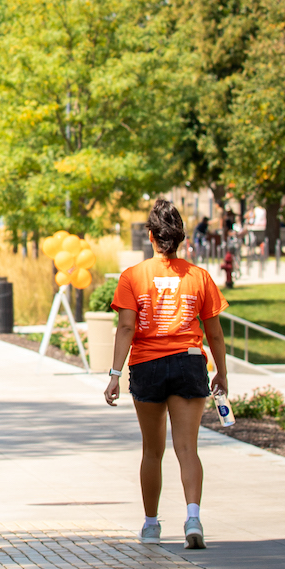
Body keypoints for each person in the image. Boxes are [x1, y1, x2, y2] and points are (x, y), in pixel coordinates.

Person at [104, 198, 229, 550]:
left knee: (152, 451)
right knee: (188, 448)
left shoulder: (133, 277)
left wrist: (114, 374)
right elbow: (215, 333)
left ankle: (151, 524)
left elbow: (126, 329)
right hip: (189, 363)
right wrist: (221, 372)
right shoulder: (199, 277)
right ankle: (192, 517)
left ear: (150, 235)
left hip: (147, 365)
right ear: (181, 238)